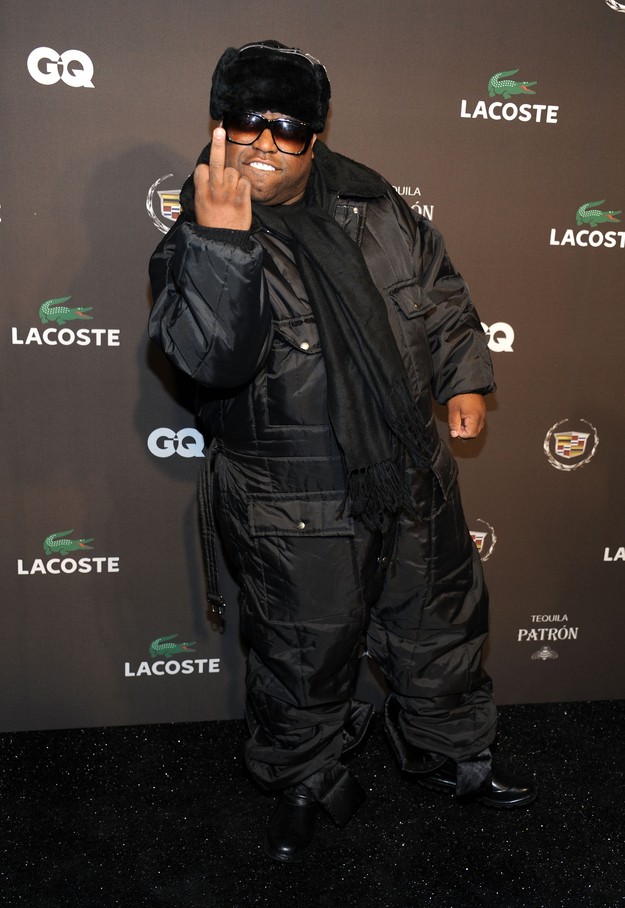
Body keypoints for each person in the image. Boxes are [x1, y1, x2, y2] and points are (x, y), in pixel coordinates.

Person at [148, 40, 536, 863]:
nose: (263, 142)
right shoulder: (198, 232)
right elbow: (210, 362)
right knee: (303, 652)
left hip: (407, 466)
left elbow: (437, 294)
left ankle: (449, 755)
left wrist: (463, 379)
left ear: (314, 138)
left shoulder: (373, 202)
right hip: (291, 497)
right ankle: (302, 780)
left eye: (287, 127)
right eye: (247, 122)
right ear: (219, 125)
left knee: (438, 626)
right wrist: (222, 248)